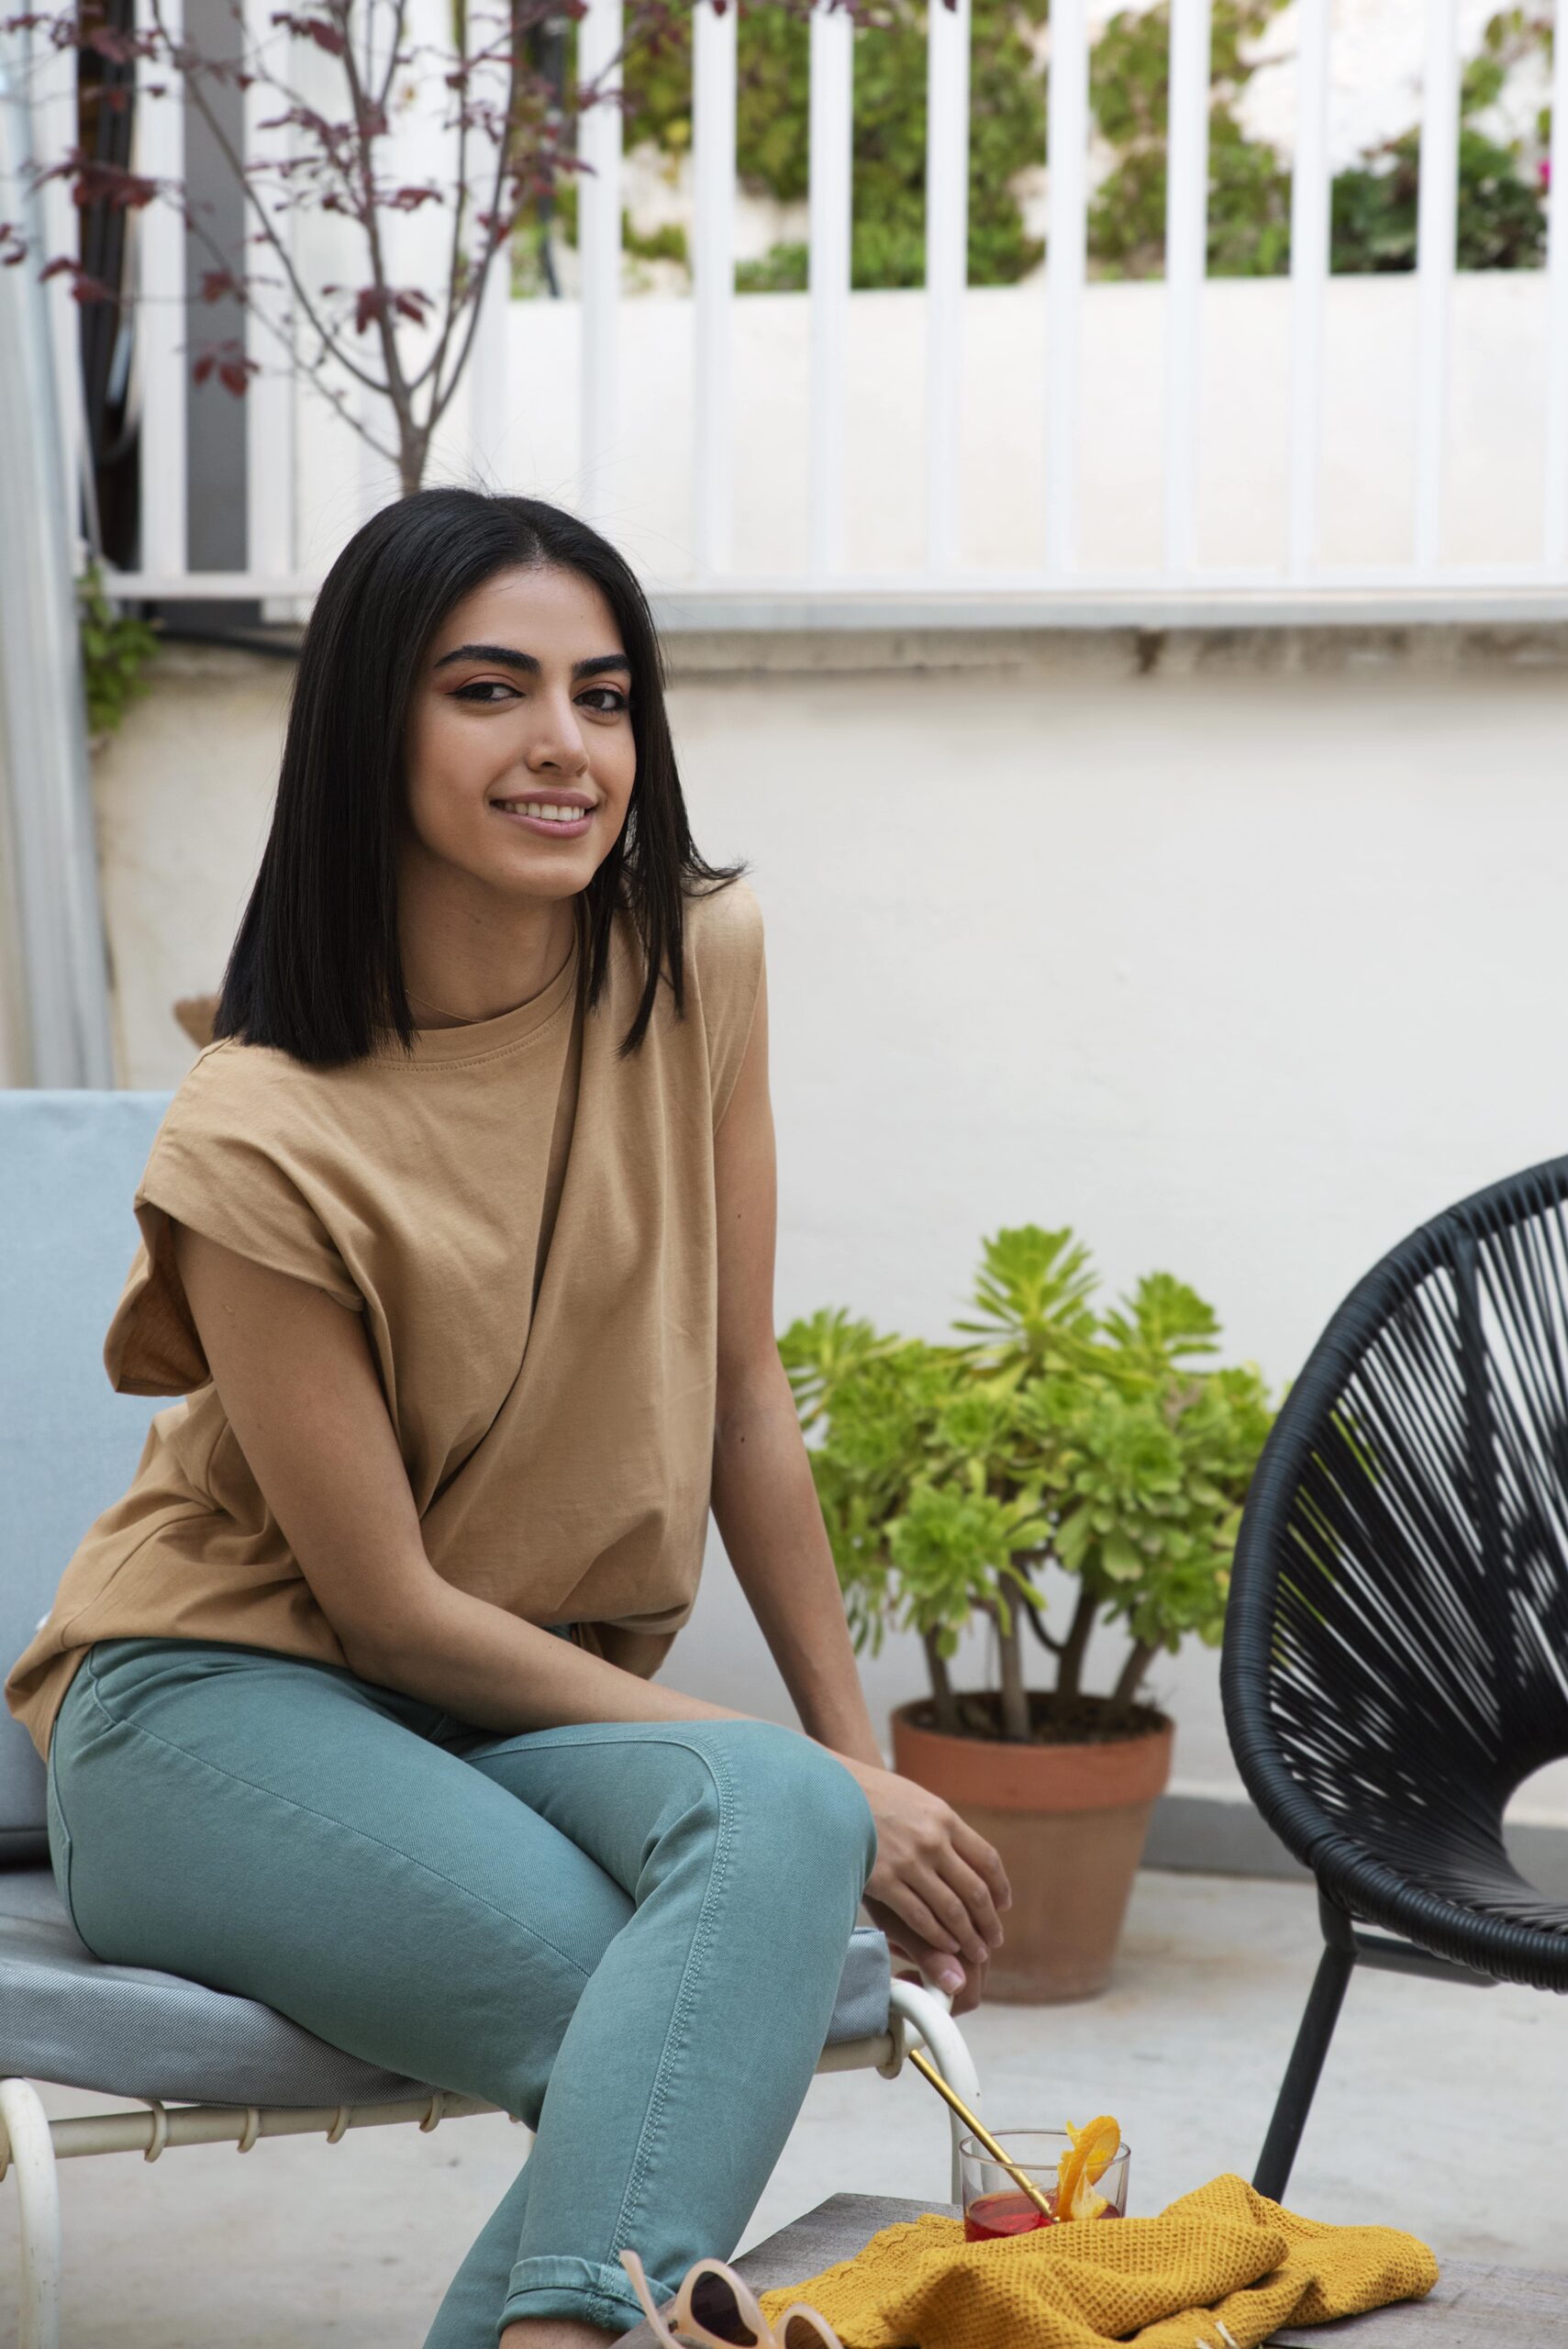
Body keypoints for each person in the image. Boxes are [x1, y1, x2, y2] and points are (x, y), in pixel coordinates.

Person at [4, 490, 1010, 2349]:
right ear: (375, 721)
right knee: (669, 2023)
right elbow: (379, 1606)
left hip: (508, 1705)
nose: (565, 744)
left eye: (604, 695)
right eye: (491, 689)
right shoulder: (261, 1125)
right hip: (210, 1712)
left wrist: (864, 1768)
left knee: (769, 1841)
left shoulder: (696, 960)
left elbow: (738, 1390)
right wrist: (823, 1791)